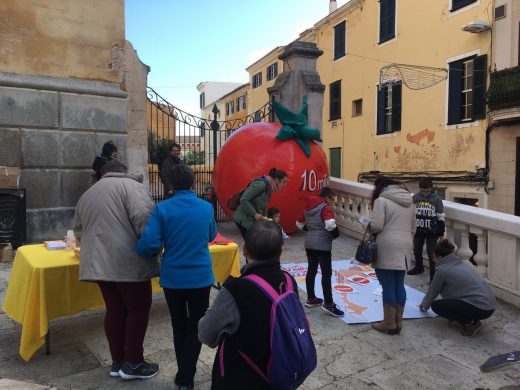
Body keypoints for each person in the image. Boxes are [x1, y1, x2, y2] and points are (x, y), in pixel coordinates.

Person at [73, 160, 160, 380]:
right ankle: (133, 363)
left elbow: (78, 229)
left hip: (99, 263)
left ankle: (118, 361)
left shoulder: (88, 194)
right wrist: (152, 247)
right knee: (138, 309)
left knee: (114, 309)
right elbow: (145, 219)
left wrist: (94, 249)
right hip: (128, 261)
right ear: (124, 172)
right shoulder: (132, 187)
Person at [198, 220, 307, 389]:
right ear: (281, 250)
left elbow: (205, 333)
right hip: (280, 372)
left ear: (245, 250)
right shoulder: (288, 281)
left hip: (240, 376)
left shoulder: (236, 289)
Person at [137, 165, 217, 390]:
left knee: (178, 324)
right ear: (193, 183)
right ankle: (185, 376)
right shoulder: (205, 207)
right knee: (196, 325)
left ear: (171, 185)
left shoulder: (163, 209)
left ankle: (184, 375)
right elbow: (211, 235)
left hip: (173, 278)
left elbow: (149, 244)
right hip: (200, 277)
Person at [420, 239, 496, 337]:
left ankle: (471, 322)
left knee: (436, 306)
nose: (433, 260)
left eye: (434, 257)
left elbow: (433, 290)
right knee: (450, 303)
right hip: (490, 306)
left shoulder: (443, 270)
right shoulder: (460, 264)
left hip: (481, 308)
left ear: (440, 257)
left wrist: (424, 305)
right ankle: (470, 317)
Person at [369, 176, 416, 335]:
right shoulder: (410, 202)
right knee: (399, 284)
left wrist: (366, 224)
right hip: (405, 245)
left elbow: (376, 226)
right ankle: (398, 322)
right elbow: (413, 228)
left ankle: (388, 323)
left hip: (387, 245)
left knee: (387, 285)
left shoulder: (381, 201)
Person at [296, 187, 344, 317]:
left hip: (309, 243)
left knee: (311, 270)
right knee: (326, 274)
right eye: (332, 199)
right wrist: (335, 234)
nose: (332, 202)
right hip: (322, 246)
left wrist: (311, 230)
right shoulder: (325, 208)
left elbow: (299, 224)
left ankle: (311, 299)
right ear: (327, 197)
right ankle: (329, 304)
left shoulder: (308, 207)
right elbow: (330, 224)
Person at [232, 167, 287, 239]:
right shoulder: (261, 185)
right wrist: (255, 214)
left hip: (252, 220)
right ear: (276, 180)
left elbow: (264, 206)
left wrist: (266, 220)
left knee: (252, 244)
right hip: (244, 219)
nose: (285, 185)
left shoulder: (268, 187)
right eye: (284, 181)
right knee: (252, 244)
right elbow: (243, 199)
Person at [408, 177, 445, 281]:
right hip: (418, 229)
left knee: (431, 254)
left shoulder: (437, 199)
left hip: (432, 232)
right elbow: (411, 213)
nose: (425, 193)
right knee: (416, 250)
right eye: (423, 191)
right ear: (419, 189)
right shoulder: (415, 197)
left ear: (431, 188)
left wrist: (441, 233)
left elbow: (440, 216)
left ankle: (433, 277)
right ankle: (419, 268)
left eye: (428, 191)